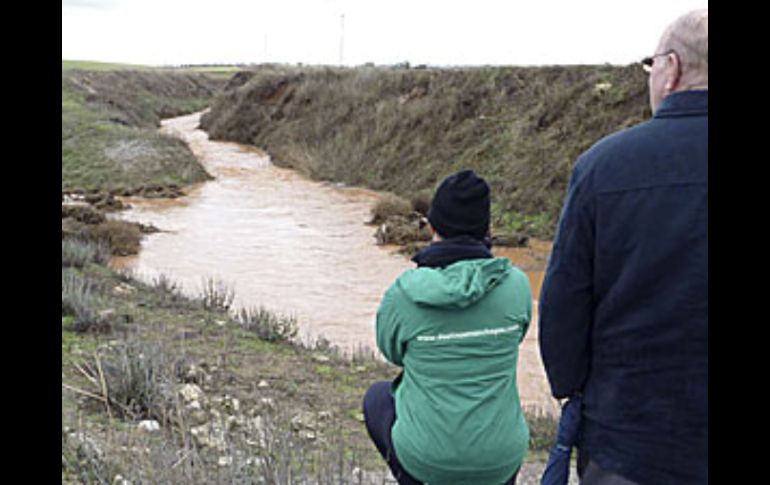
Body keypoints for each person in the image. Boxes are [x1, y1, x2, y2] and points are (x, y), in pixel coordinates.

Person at [538, 8, 707, 485]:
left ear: (670, 69)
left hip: (630, 440)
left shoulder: (603, 167)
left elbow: (564, 304)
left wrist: (571, 388)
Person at [363, 169, 532, 485]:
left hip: (429, 459)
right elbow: (516, 337)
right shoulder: (518, 287)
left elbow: (392, 352)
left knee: (376, 398)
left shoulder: (404, 292)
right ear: (486, 229)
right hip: (501, 458)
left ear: (432, 226)